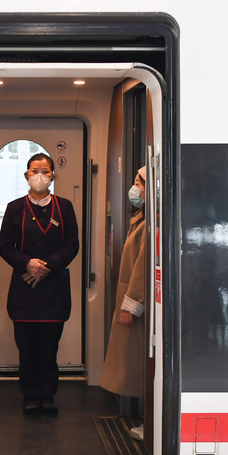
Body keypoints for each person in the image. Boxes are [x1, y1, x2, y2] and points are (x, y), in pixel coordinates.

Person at [0, 153, 79, 418]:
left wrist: (46, 267)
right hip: (24, 290)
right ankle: (31, 397)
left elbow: (72, 245)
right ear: (26, 175)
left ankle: (48, 396)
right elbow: (4, 246)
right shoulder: (15, 208)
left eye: (45, 171)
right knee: (27, 350)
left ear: (53, 176)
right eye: (35, 171)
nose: (40, 176)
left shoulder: (64, 207)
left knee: (48, 351)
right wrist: (27, 264)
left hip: (54, 292)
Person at [99, 166, 148, 440]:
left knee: (141, 364)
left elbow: (143, 267)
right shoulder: (141, 217)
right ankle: (148, 420)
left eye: (139, 183)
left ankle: (151, 423)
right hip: (131, 296)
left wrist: (131, 305)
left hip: (137, 302)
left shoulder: (151, 222)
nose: (134, 188)